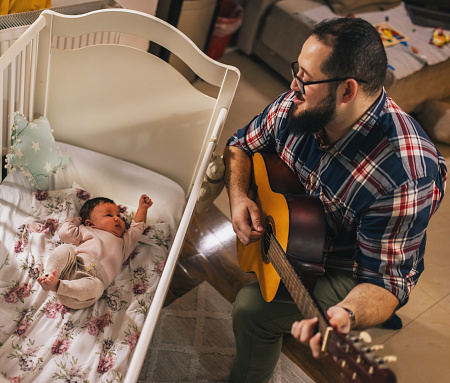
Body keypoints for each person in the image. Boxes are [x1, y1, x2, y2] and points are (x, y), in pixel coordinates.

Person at [223, 17, 447, 382]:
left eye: (306, 79)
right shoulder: (298, 106)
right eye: (297, 70)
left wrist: (346, 312)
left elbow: (385, 282)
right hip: (304, 235)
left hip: (357, 264)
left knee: (250, 310)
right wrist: (237, 198)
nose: (293, 86)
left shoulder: (405, 175)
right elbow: (239, 147)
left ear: (347, 91)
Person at [37, 194, 153, 309]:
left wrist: (142, 208)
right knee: (65, 249)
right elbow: (65, 234)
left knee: (98, 287)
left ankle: (57, 285)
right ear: (90, 223)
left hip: (82, 291)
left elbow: (137, 228)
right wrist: (75, 221)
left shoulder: (124, 242)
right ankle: (49, 276)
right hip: (71, 268)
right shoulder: (87, 230)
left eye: (119, 215)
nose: (117, 218)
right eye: (109, 215)